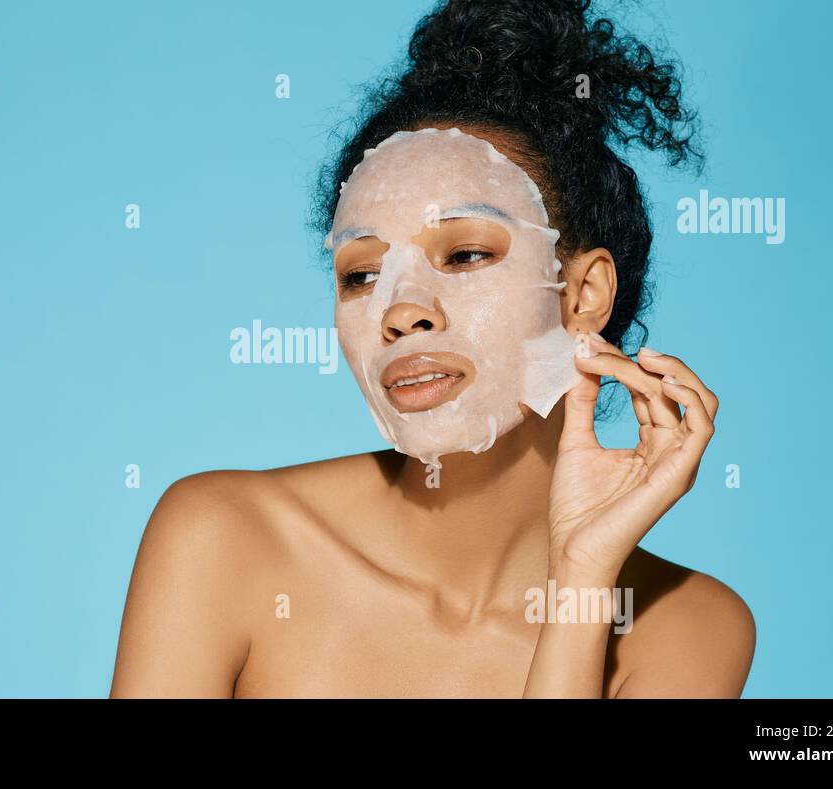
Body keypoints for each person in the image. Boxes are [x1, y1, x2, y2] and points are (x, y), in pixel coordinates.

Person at [111, 0, 755, 698]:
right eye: (360, 273)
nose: (401, 310)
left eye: (466, 253)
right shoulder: (224, 541)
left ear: (584, 294)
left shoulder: (688, 626)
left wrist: (580, 578)